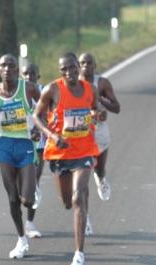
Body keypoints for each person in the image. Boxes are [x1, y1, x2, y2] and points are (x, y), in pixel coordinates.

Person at [32, 52, 106, 265]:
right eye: (64, 69)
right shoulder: (52, 90)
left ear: (78, 67)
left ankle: (79, 253)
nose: (69, 72)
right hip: (59, 152)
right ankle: (82, 201)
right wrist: (53, 135)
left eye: (72, 67)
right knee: (66, 202)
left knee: (77, 197)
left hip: (84, 149)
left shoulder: (89, 89)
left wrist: (99, 114)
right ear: (60, 71)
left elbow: (95, 109)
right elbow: (36, 116)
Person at [0, 54, 41, 259]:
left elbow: (47, 110)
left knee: (27, 201)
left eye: (11, 66)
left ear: (17, 70)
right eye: (3, 66)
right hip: (5, 145)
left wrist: (38, 130)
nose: (7, 69)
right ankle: (21, 239)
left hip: (26, 143)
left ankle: (32, 188)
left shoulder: (28, 89)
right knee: (12, 197)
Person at [78, 53, 120, 202]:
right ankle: (83, 211)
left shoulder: (102, 84)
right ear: (78, 66)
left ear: (94, 66)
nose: (86, 66)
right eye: (82, 63)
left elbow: (117, 108)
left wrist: (103, 101)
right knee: (82, 176)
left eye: (89, 63)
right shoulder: (71, 85)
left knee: (99, 169)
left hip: (99, 132)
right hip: (79, 133)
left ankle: (101, 179)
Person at [20, 63, 44, 239]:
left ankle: (29, 224)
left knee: (34, 181)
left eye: (32, 74)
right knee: (20, 186)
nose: (29, 77)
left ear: (38, 76)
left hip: (40, 144)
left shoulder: (45, 92)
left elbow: (53, 113)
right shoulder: (17, 92)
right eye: (26, 74)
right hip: (20, 143)